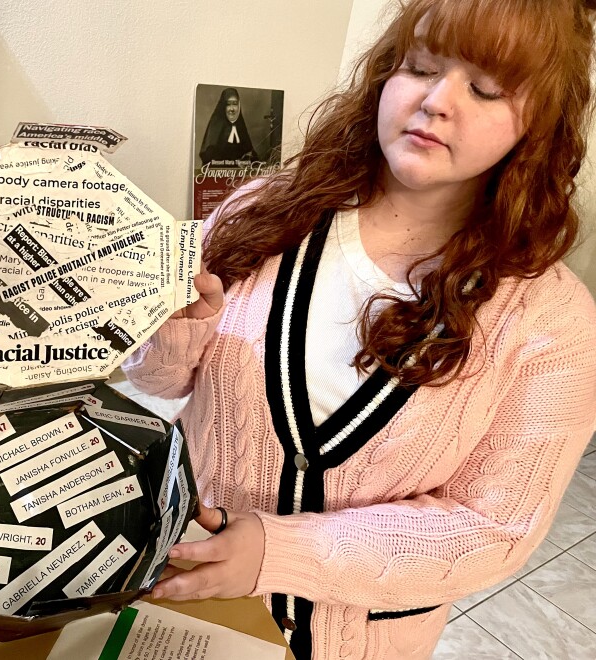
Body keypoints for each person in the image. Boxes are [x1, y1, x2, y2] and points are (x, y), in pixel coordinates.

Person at [123, 1, 596, 658]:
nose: (435, 101)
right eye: (421, 66)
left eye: (486, 88)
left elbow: (493, 529)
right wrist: (170, 331)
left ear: (540, 123)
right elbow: (159, 381)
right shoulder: (259, 214)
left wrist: (275, 552)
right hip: (182, 601)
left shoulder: (553, 323)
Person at [199, 87, 260, 166]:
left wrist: (249, 158)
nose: (232, 109)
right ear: (223, 107)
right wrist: (235, 163)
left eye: (235, 104)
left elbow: (250, 152)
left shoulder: (240, 126)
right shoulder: (216, 126)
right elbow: (208, 157)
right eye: (228, 104)